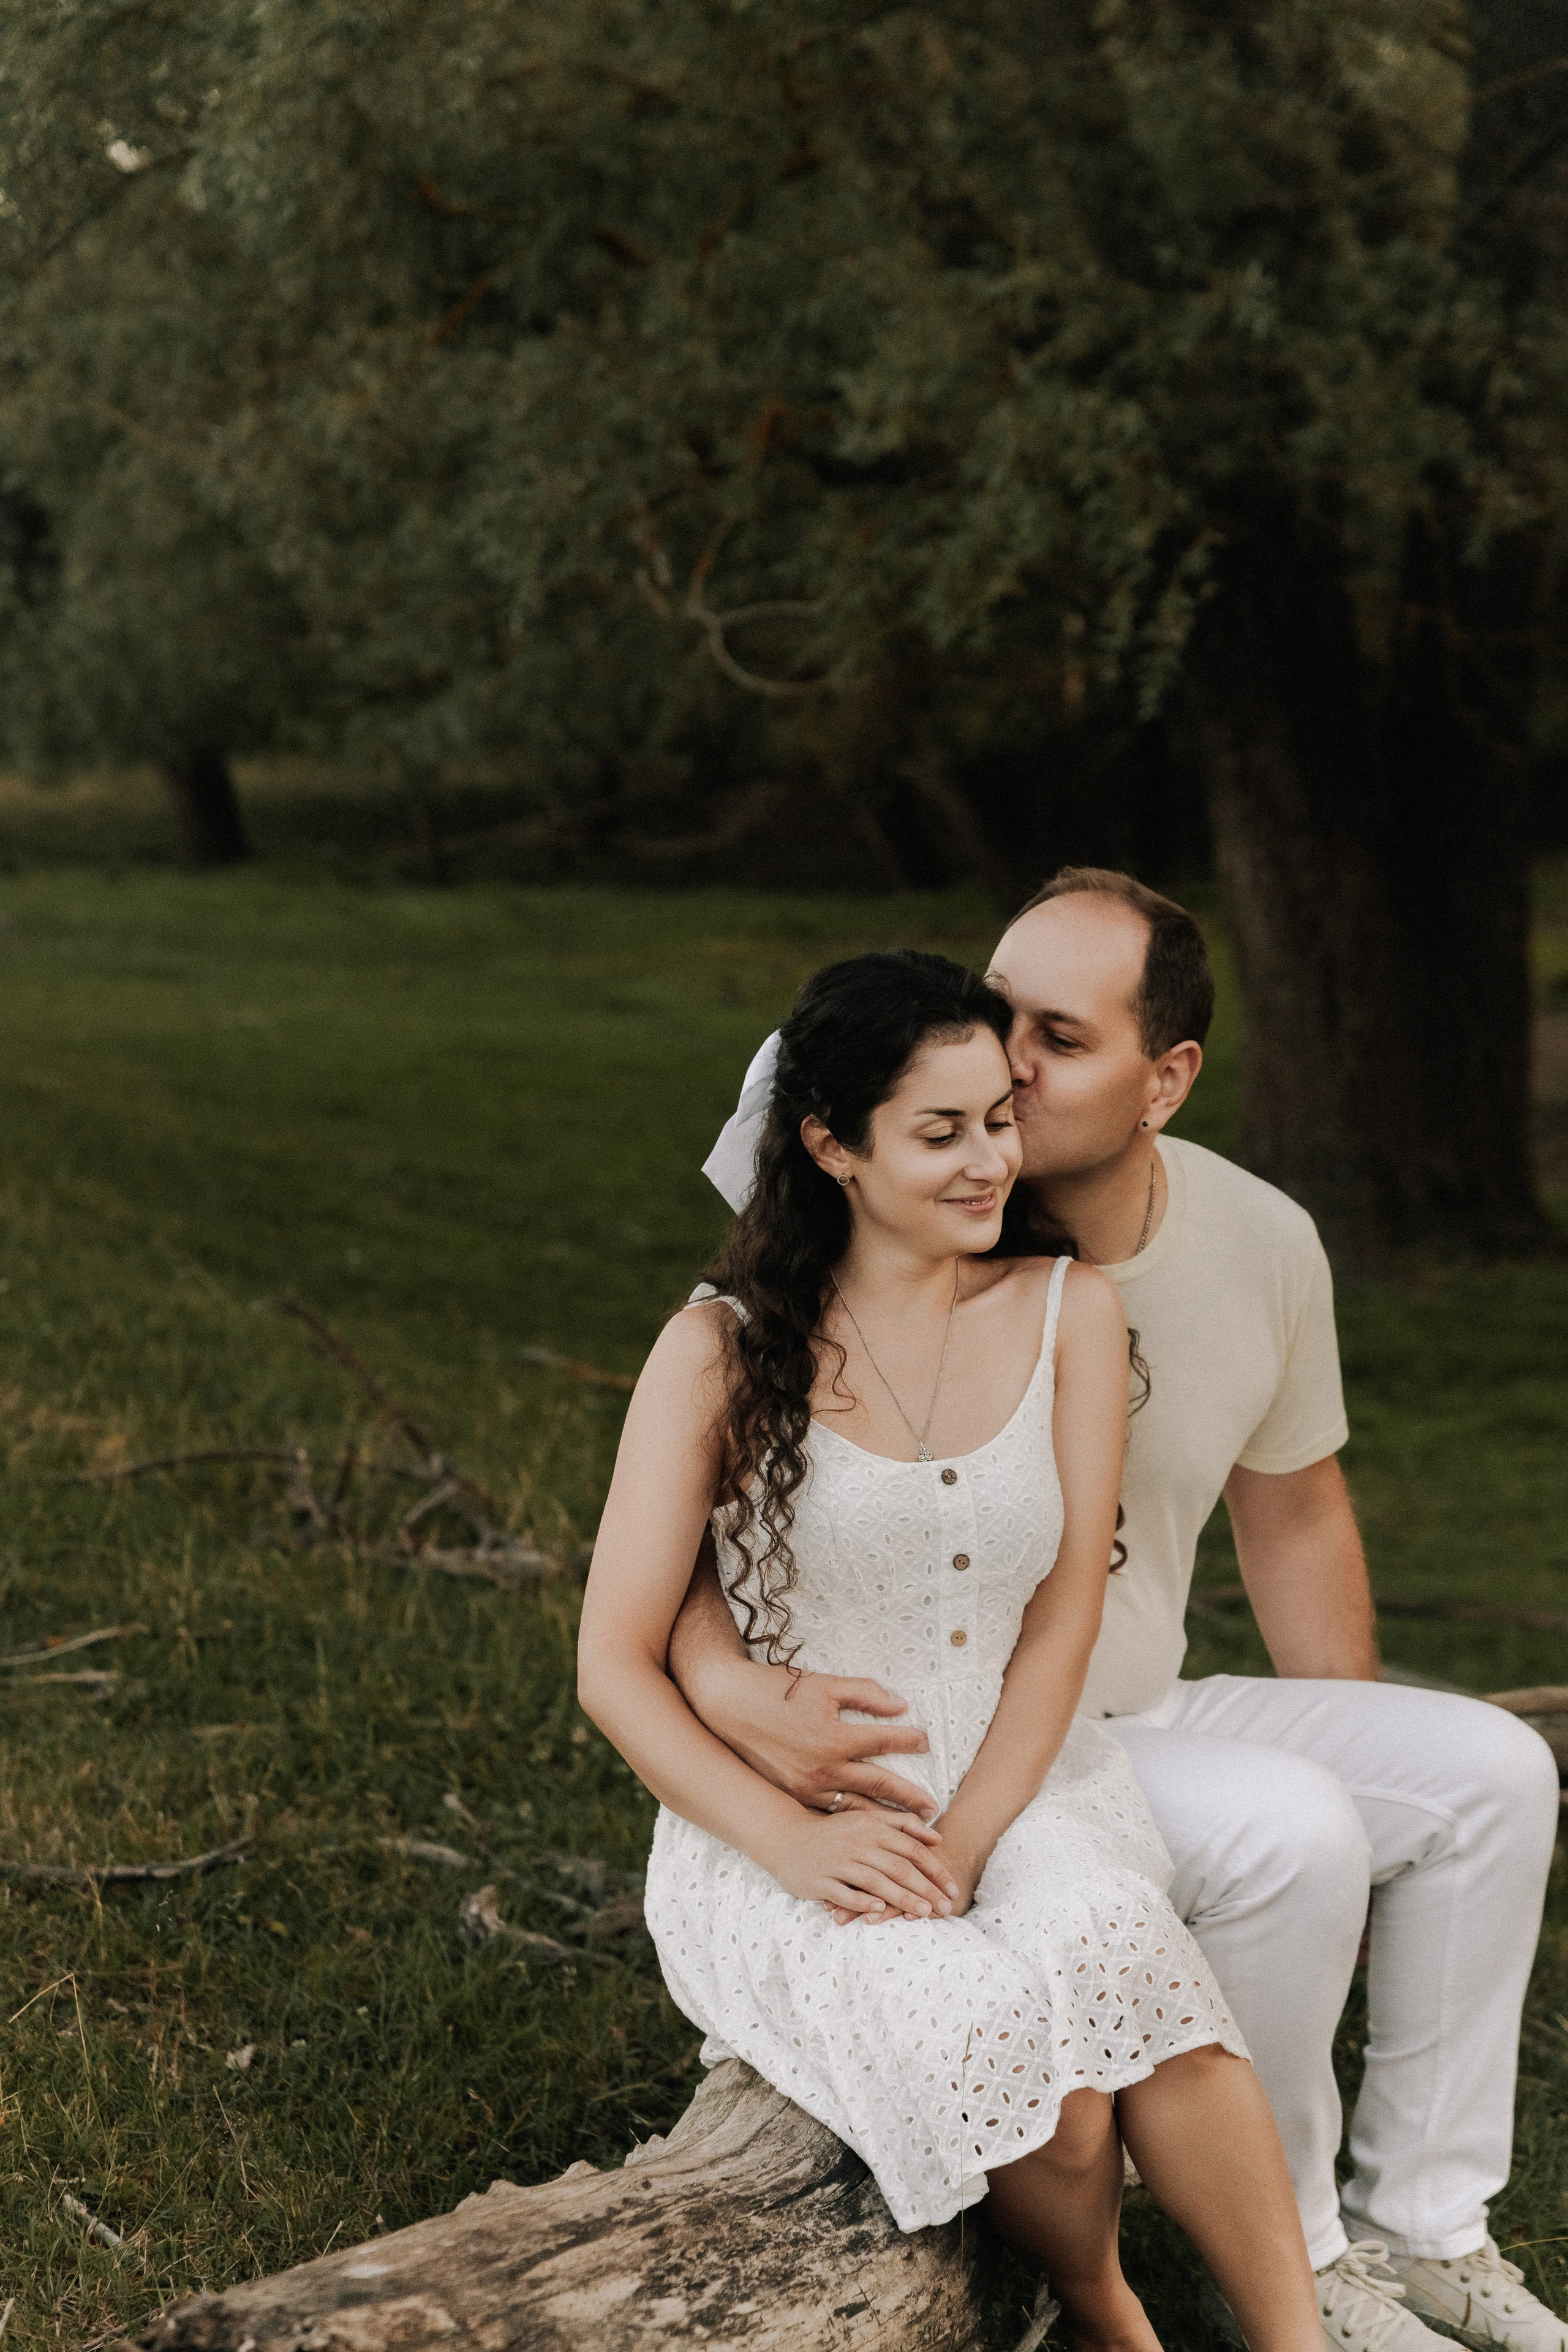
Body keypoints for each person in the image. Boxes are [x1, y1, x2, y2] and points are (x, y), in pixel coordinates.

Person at [673, 871, 1564, 2352]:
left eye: (1054, 1037)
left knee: (1487, 1773)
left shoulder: (1260, 1238)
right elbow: (732, 1482)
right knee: (1291, 1830)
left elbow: (1295, 1519)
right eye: (996, 1006)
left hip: (1134, 1693)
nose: (1001, 1061)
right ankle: (1297, 2259)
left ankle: (1431, 2228)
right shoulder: (910, 1182)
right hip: (971, 1731)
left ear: (1168, 1079)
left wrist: (1345, 1733)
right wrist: (727, 1688)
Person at [579, 949, 1328, 2352]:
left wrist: (979, 1830)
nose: (991, 1159)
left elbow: (1060, 1616)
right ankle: (1111, 2314)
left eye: (998, 1118)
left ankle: (1296, 2341)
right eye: (940, 1133)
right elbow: (612, 1662)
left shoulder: (1068, 1314)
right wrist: (787, 1844)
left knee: (1121, 1953)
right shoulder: (717, 1351)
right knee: (1032, 2084)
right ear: (830, 1146)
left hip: (1020, 1771)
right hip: (788, 1823)